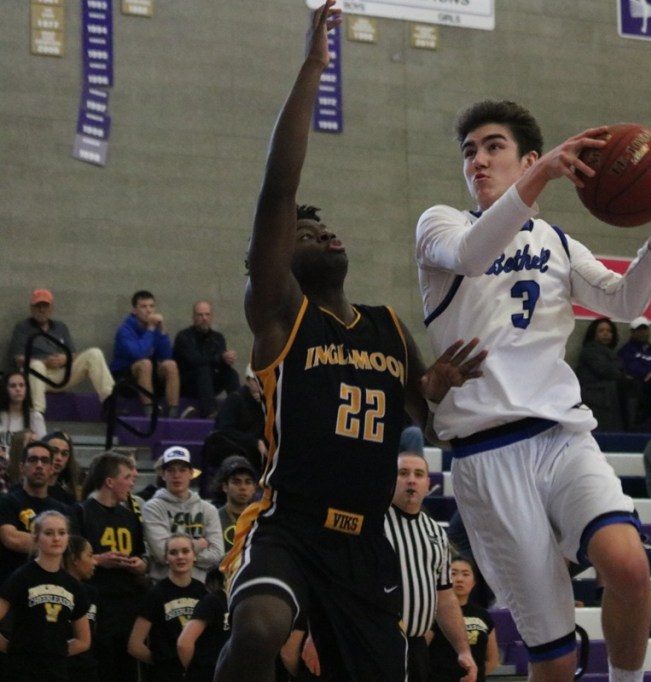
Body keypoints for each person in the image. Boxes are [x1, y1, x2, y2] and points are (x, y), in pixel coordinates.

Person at [213, 6, 485, 682]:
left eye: (323, 225)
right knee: (259, 627)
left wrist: (433, 390)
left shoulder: (389, 326)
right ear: (274, 260)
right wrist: (312, 67)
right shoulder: (280, 317)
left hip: (366, 542)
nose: (322, 231)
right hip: (290, 527)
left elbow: (416, 419)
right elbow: (280, 190)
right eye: (304, 233)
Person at [414, 83, 651, 679]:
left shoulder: (559, 243)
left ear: (529, 159)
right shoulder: (441, 224)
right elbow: (472, 254)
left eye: (493, 147)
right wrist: (537, 185)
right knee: (556, 660)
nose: (477, 160)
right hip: (487, 455)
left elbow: (626, 301)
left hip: (562, 436)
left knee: (629, 567)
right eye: (469, 151)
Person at [384, 451, 475, 682]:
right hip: (376, 645)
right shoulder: (373, 525)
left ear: (427, 484)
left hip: (417, 648)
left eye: (418, 474)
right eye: (403, 473)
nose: (411, 480)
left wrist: (463, 650)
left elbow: (445, 598)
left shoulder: (435, 532)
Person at [78, 450, 148, 682]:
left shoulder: (130, 517)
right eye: (127, 477)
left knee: (126, 670)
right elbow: (70, 562)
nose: (131, 482)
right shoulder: (81, 512)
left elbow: (142, 557)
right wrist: (99, 560)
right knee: (99, 668)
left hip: (127, 603)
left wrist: (139, 566)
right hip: (95, 602)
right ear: (110, 481)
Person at [0, 510, 91, 682]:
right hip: (20, 671)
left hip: (56, 671)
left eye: (62, 533)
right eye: (49, 533)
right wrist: (13, 648)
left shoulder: (73, 586)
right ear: (36, 538)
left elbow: (84, 640)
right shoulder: (21, 577)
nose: (56, 538)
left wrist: (55, 651)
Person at [7, 288, 115, 416]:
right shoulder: (22, 328)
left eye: (45, 306)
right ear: (32, 308)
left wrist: (65, 358)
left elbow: (73, 354)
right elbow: (18, 358)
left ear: (51, 308)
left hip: (62, 374)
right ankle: (38, 413)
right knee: (37, 366)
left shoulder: (60, 327)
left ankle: (109, 400)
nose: (42, 310)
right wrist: (45, 362)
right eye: (38, 306)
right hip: (38, 376)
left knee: (94, 353)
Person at [129, 534, 207, 682]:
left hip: (197, 673)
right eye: (173, 552)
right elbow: (134, 645)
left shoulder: (202, 591)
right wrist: (163, 664)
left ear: (194, 556)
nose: (180, 557)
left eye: (185, 551)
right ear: (165, 558)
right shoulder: (155, 594)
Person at [0, 440, 76, 584]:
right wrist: (55, 545)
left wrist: (41, 543)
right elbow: (12, 539)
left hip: (53, 586)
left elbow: (71, 548)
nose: (39, 465)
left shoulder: (64, 509)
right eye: (33, 460)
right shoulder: (6, 502)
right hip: (13, 585)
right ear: (22, 467)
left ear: (52, 468)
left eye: (45, 461)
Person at [143, 446, 223, 581]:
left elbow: (217, 554)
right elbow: (162, 553)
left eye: (182, 470)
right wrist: (197, 546)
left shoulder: (208, 509)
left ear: (191, 473)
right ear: (163, 474)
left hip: (200, 586)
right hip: (163, 584)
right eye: (170, 470)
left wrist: (175, 553)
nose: (176, 475)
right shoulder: (152, 508)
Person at [110, 290, 181, 417]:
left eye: (151, 306)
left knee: (171, 365)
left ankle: (173, 413)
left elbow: (166, 356)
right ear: (134, 311)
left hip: (148, 376)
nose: (149, 310)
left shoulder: (154, 327)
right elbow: (139, 353)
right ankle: (150, 412)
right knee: (145, 364)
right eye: (143, 306)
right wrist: (151, 329)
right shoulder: (125, 330)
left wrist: (163, 332)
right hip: (124, 379)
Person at [428, 557, 500, 682]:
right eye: (453, 573)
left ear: (474, 582)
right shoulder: (433, 613)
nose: (459, 579)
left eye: (466, 574)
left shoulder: (483, 615)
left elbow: (492, 660)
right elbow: (419, 653)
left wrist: (472, 676)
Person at [174, 301, 241, 418]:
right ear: (193, 318)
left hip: (209, 382)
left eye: (207, 314)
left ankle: (239, 411)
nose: (204, 318)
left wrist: (227, 360)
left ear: (212, 317)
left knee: (231, 374)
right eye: (200, 315)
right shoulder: (184, 336)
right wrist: (220, 358)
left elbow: (221, 365)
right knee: (203, 370)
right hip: (187, 383)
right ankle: (210, 412)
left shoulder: (218, 338)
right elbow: (194, 361)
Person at [575, 317, 639, 431]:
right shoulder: (590, 350)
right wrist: (624, 377)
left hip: (608, 395)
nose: (606, 334)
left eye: (609, 331)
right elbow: (606, 370)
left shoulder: (610, 353)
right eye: (601, 331)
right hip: (595, 397)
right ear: (594, 334)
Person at [177, 567, 230, 682]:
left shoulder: (242, 601)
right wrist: (194, 672)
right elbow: (184, 643)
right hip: (208, 672)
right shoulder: (213, 600)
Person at [64, 534, 100, 682]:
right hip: (61, 668)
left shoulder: (92, 593)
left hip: (87, 669)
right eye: (90, 555)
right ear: (74, 559)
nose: (95, 562)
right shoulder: (57, 589)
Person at [214, 456, 257, 554]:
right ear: (225, 486)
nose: (243, 487)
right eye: (236, 482)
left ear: (254, 488)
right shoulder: (213, 518)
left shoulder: (261, 519)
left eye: (248, 482)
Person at [0, 371, 46, 454]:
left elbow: (43, 449)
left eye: (21, 385)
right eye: (13, 386)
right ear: (5, 389)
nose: (18, 389)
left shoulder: (35, 417)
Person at [42, 430, 82, 503]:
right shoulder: (22, 492)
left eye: (64, 454)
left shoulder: (68, 499)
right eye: (54, 451)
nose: (59, 458)